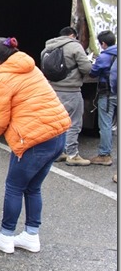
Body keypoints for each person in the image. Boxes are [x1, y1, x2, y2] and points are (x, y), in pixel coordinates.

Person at [0, 37, 70, 254]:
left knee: (14, 187)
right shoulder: (29, 67)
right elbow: (25, 101)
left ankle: (5, 236)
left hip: (33, 139)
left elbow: (0, 124)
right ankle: (31, 235)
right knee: (33, 187)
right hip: (57, 134)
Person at [42, 26, 92, 166]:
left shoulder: (47, 48)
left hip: (52, 90)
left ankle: (57, 152)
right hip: (71, 91)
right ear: (73, 35)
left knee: (55, 123)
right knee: (73, 123)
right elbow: (86, 68)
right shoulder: (75, 47)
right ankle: (72, 155)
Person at [88, 30, 117, 166]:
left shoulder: (104, 57)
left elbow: (93, 73)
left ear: (103, 44)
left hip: (108, 94)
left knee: (105, 124)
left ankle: (104, 155)